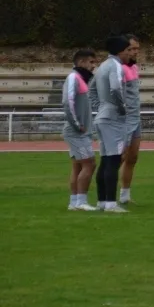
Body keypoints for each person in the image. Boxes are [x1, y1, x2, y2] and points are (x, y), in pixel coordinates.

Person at [91, 35, 133, 213]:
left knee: (106, 160)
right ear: (121, 51)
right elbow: (116, 88)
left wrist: (101, 106)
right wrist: (121, 106)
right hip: (112, 118)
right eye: (129, 50)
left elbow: (91, 89)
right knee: (114, 160)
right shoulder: (115, 65)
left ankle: (102, 201)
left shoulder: (102, 66)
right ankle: (110, 203)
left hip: (103, 115)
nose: (131, 53)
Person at [63, 49, 98, 212]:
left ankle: (74, 202)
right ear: (82, 62)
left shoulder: (82, 80)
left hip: (80, 130)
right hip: (76, 131)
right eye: (91, 62)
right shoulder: (73, 77)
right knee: (90, 164)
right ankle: (81, 201)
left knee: (78, 166)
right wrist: (77, 124)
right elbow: (67, 102)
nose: (93, 66)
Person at [118, 34, 141, 205]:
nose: (134, 52)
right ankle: (107, 195)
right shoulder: (118, 68)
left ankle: (125, 195)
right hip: (123, 119)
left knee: (132, 157)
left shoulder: (134, 68)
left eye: (136, 49)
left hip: (136, 118)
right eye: (131, 49)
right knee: (118, 157)